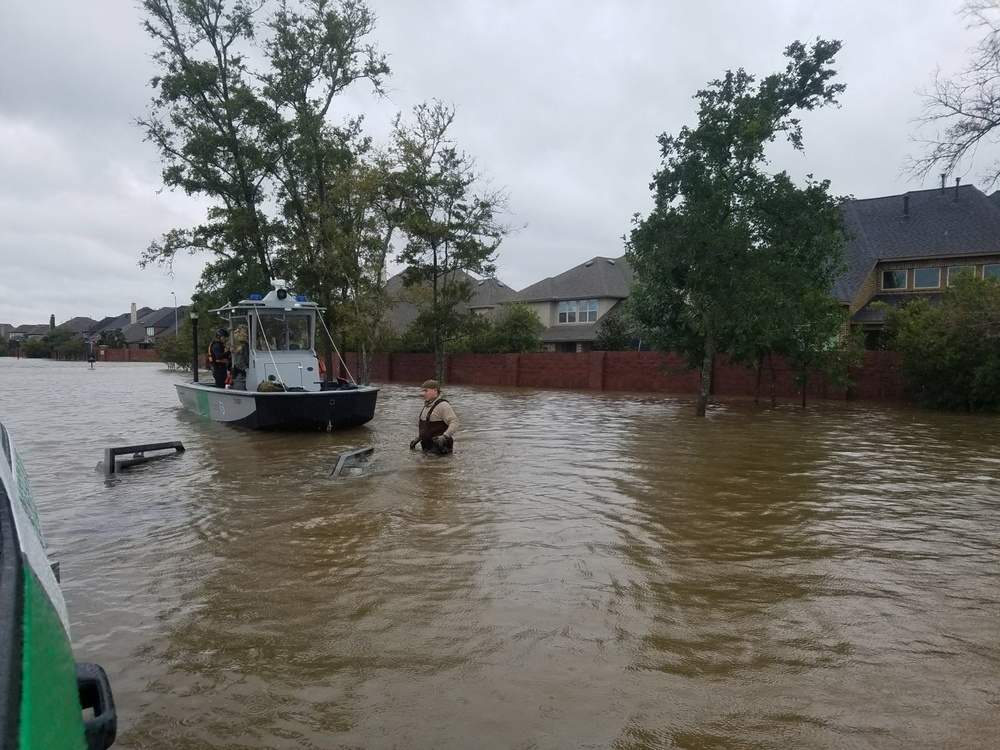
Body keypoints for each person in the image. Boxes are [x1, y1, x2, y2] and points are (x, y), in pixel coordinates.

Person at [409, 380, 459, 454]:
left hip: (441, 448)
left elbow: (455, 422)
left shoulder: (443, 405)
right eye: (422, 391)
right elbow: (426, 428)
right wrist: (418, 438)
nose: (423, 394)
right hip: (427, 448)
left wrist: (445, 436)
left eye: (426, 391)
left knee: (437, 465)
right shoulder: (426, 406)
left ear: (435, 390)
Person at [230, 325, 249, 391]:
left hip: (243, 372)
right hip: (241, 373)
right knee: (240, 387)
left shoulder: (245, 345)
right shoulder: (243, 346)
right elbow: (239, 361)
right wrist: (245, 369)